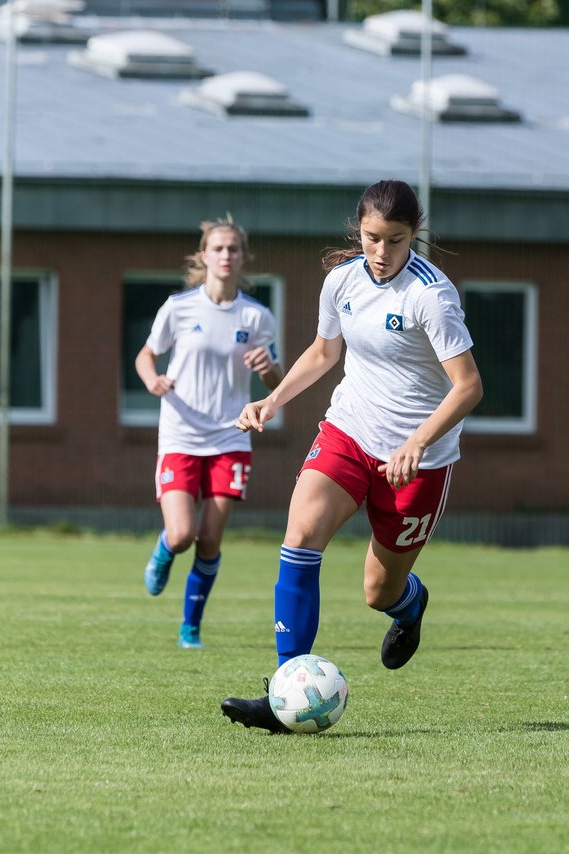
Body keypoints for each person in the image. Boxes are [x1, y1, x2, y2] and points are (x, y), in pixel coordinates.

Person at [221, 179, 483, 733]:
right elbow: (323, 352)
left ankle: (409, 605)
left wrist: (418, 441)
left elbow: (467, 387)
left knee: (377, 592)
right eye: (371, 238)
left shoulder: (430, 295)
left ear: (415, 236)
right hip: (348, 432)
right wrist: (271, 400)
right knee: (300, 537)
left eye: (395, 240)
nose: (381, 253)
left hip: (417, 462)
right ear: (357, 231)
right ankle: (283, 689)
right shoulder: (341, 280)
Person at [134, 216, 283, 650]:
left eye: (233, 249)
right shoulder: (179, 308)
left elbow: (278, 382)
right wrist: (152, 380)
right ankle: (163, 551)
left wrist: (268, 369)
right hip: (180, 433)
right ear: (204, 255)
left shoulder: (257, 317)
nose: (225, 255)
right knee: (181, 535)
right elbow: (146, 354)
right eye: (217, 248)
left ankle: (190, 627)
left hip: (230, 438)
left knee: (210, 539)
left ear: (242, 257)